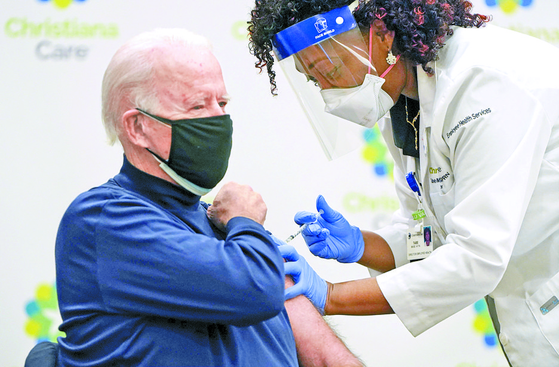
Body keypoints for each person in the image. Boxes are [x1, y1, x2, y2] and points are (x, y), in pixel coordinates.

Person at [248, 1, 559, 366]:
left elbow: (475, 258)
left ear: (381, 33)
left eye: (330, 70)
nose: (329, 97)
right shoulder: (403, 101)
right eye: (315, 81)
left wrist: (331, 296)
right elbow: (428, 231)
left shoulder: (481, 85)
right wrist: (362, 245)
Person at [54, 28, 363, 366]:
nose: (219, 119)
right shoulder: (104, 220)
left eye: (223, 103)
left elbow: (327, 358)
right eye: (198, 105)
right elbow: (255, 289)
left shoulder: (226, 226)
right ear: (138, 127)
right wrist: (247, 223)